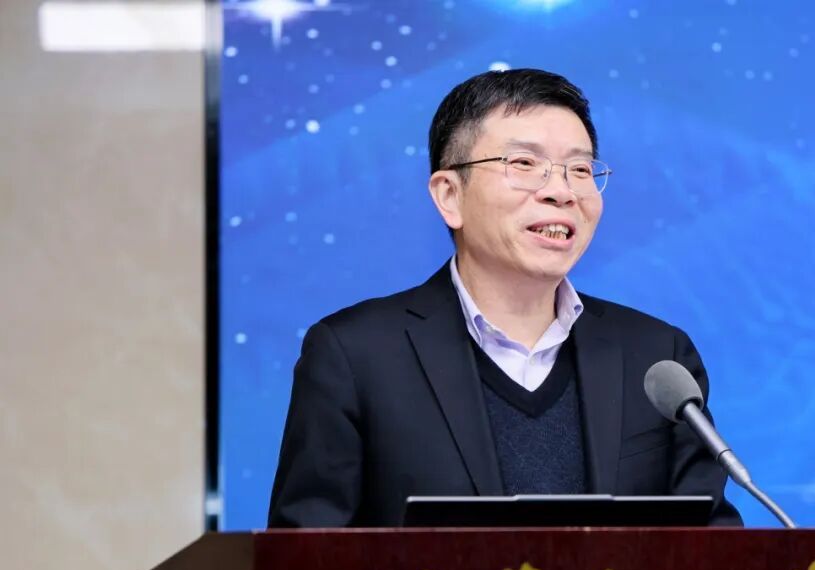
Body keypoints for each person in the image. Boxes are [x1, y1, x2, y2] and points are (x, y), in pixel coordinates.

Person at [267, 68, 741, 528]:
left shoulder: (657, 358)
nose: (561, 192)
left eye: (580, 169)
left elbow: (715, 555)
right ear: (449, 195)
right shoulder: (356, 356)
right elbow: (303, 563)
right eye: (524, 165)